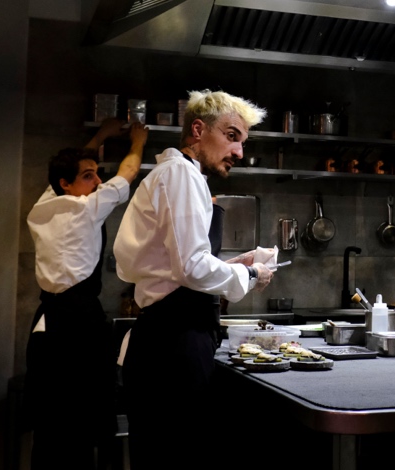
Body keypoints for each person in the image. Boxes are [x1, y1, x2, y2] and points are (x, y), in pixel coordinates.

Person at [113, 89, 275, 469]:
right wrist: (249, 274)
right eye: (232, 136)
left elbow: (178, 268)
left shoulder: (181, 176)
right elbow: (190, 267)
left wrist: (234, 263)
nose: (239, 152)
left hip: (168, 341)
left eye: (242, 142)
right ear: (198, 130)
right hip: (173, 346)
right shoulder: (181, 174)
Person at [25, 119, 147, 470]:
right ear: (67, 184)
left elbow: (81, 163)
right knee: (78, 422)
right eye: (88, 176)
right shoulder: (85, 209)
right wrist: (137, 140)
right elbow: (128, 172)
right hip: (76, 326)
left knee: (51, 423)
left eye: (96, 174)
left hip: (46, 325)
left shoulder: (46, 204)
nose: (97, 181)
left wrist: (103, 135)